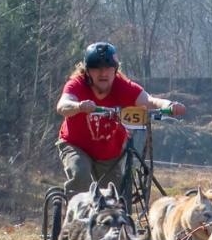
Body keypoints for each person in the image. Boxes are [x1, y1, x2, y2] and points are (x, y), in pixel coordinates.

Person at [55, 42, 185, 196]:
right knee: (80, 173)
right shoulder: (77, 84)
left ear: (115, 69)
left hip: (109, 153)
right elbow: (62, 105)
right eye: (97, 68)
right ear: (88, 71)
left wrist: (169, 105)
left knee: (113, 195)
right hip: (76, 145)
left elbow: (149, 101)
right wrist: (79, 106)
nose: (103, 73)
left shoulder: (123, 86)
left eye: (108, 68)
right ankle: (74, 210)